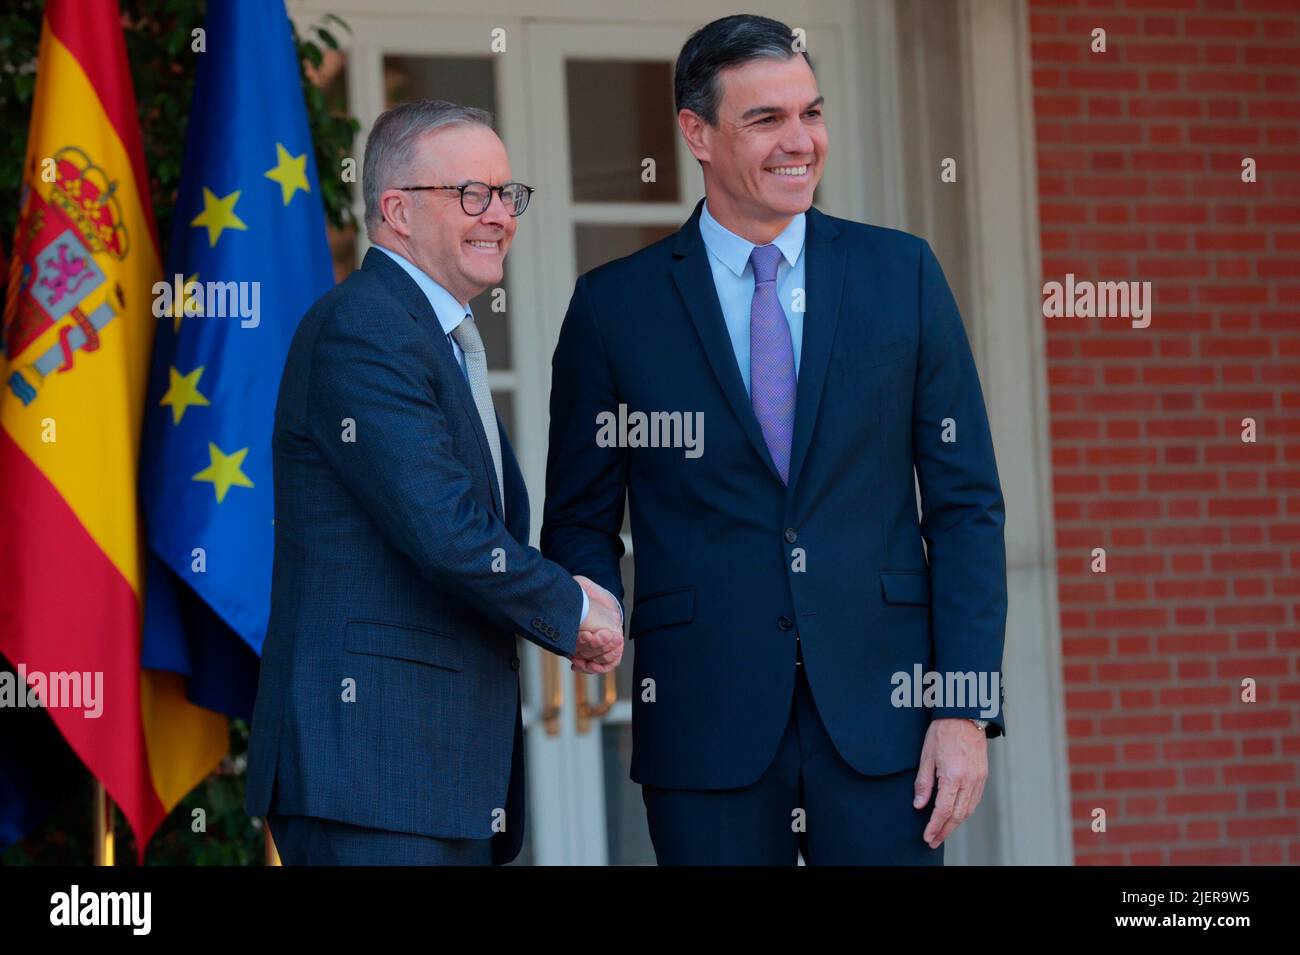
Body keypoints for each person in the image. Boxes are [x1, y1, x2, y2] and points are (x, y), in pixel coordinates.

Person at [542, 14, 1006, 865]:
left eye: (812, 113)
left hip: (888, 722)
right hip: (703, 721)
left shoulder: (901, 275)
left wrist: (964, 707)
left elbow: (968, 505)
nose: (800, 142)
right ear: (698, 133)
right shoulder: (615, 308)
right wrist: (591, 603)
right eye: (766, 119)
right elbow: (578, 517)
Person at [246, 100, 623, 866]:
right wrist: (573, 605)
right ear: (397, 212)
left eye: (507, 194)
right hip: (372, 776)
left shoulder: (429, 332)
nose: (499, 216)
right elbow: (447, 531)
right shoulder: (367, 328)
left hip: (427, 774)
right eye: (471, 195)